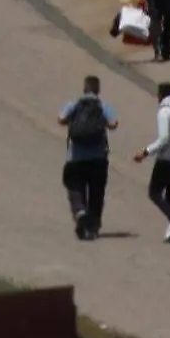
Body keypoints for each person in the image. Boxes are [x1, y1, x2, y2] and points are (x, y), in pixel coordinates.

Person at [57, 75, 120, 240]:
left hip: (76, 157)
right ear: (98, 89)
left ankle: (80, 212)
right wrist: (101, 124)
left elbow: (61, 119)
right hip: (98, 157)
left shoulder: (74, 104)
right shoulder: (102, 106)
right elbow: (113, 124)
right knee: (96, 192)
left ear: (84, 88)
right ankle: (93, 226)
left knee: (74, 187)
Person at [133, 82, 170, 243]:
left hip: (167, 159)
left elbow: (164, 139)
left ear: (161, 95)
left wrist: (145, 152)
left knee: (154, 192)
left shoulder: (164, 112)